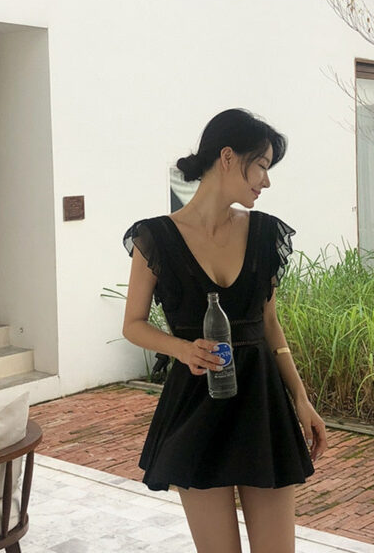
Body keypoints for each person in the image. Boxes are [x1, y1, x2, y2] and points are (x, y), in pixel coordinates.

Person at [121, 108, 328, 553]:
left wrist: (300, 397)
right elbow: (133, 325)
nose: (266, 181)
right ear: (229, 157)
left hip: (262, 407)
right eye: (262, 166)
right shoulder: (155, 238)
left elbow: (269, 325)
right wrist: (182, 348)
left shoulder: (265, 232)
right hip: (196, 408)